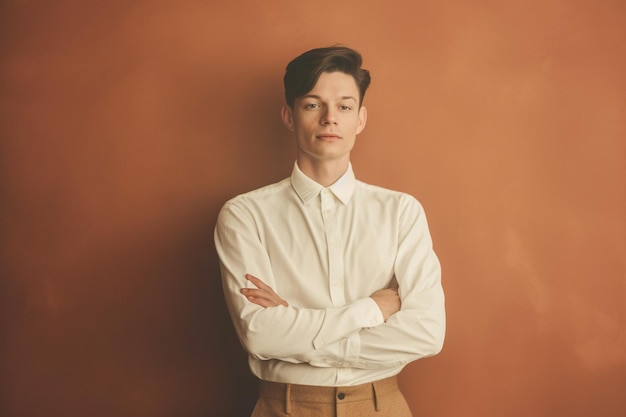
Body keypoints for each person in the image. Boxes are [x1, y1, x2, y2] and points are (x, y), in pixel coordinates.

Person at [214, 45, 445, 417]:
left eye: (344, 106)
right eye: (312, 105)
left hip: (380, 406)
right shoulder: (245, 215)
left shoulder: (401, 212)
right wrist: (371, 309)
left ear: (361, 119)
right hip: (285, 407)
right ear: (289, 116)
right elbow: (260, 335)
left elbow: (427, 333)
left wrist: (298, 330)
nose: (329, 119)